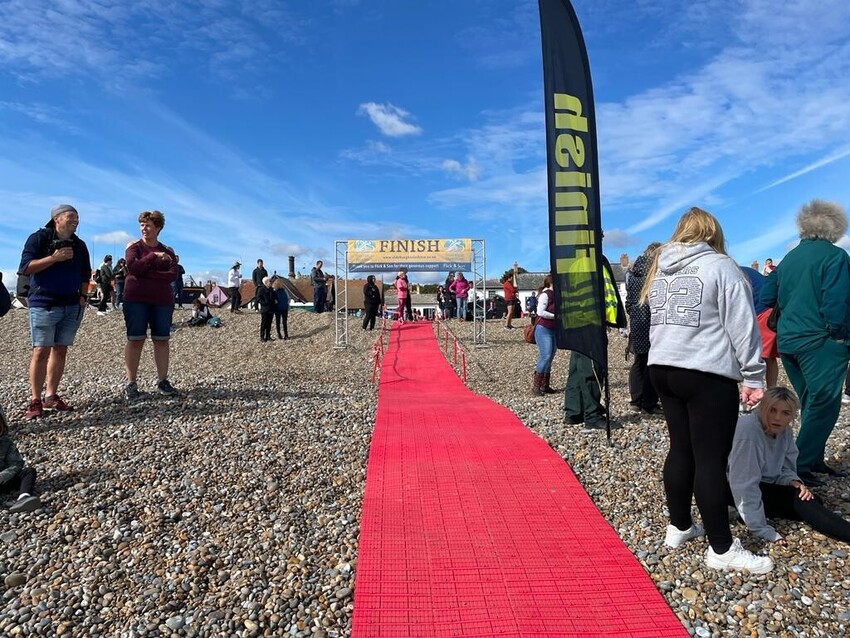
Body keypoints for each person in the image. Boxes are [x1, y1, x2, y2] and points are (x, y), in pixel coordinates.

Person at [642, 207, 770, 573]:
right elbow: (742, 327)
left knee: (682, 448)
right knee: (711, 459)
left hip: (662, 366)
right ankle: (722, 548)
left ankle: (679, 526)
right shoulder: (722, 266)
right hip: (704, 370)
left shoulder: (660, 268)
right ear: (713, 232)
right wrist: (754, 376)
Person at [760, 199, 850, 488]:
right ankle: (798, 465)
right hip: (820, 341)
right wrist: (838, 335)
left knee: (812, 400)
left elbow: (766, 297)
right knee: (824, 402)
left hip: (789, 342)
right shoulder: (835, 256)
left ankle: (812, 460)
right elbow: (838, 303)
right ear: (835, 227)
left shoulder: (789, 259)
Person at [728, 386, 850, 543]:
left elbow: (785, 466)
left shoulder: (784, 431)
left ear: (792, 415)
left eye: (785, 413)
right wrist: (761, 528)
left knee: (812, 501)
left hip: (761, 483)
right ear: (763, 408)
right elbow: (743, 483)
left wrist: (793, 481)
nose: (777, 418)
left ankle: (744, 513)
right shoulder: (748, 430)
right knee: (802, 504)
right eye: (772, 410)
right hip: (730, 488)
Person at [18, 204, 91, 419]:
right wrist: (54, 258)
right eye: (71, 216)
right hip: (43, 302)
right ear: (56, 219)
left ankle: (51, 395)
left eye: (77, 217)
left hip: (71, 305)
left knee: (60, 349)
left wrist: (83, 296)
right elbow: (25, 267)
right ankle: (35, 399)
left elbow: (85, 273)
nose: (76, 220)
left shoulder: (80, 245)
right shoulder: (39, 238)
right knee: (41, 350)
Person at [122, 210, 180, 400]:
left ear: (158, 228)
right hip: (136, 299)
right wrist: (153, 257)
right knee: (136, 339)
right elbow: (133, 267)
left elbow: (173, 275)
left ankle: (163, 380)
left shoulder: (169, 253)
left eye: (148, 225)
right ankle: (131, 383)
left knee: (161, 340)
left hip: (162, 301)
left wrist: (145, 273)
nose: (143, 229)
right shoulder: (134, 248)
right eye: (141, 225)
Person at [565, 254, 627, 427]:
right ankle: (592, 416)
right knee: (592, 368)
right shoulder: (591, 262)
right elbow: (593, 295)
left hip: (577, 321)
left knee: (577, 368)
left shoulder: (575, 263)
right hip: (590, 321)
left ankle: (573, 412)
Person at [625, 242, 661, 415]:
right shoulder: (656, 271)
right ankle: (649, 402)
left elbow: (629, 301)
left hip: (637, 319)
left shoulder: (632, 272)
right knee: (652, 362)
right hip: (653, 318)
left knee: (639, 361)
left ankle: (635, 400)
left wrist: (633, 313)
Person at [741, 266, 780, 388]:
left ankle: (763, 392)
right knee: (767, 356)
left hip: (763, 310)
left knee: (762, 355)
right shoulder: (741, 270)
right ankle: (769, 390)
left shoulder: (734, 273)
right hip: (767, 308)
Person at [0, 407, 41, 513]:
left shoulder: (6, 443)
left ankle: (23, 498)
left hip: (4, 481)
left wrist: (3, 476)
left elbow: (16, 464)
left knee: (28, 472)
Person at [532, 275, 556, 396]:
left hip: (553, 328)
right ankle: (536, 386)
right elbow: (540, 312)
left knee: (550, 356)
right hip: (543, 328)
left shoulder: (556, 295)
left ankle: (545, 385)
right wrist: (555, 316)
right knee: (545, 355)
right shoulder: (545, 295)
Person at [257, 276, 275, 341]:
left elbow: (274, 297)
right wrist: (264, 303)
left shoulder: (272, 289)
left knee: (269, 323)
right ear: (265, 282)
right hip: (265, 309)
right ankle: (262, 337)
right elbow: (258, 299)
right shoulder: (261, 290)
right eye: (269, 281)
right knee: (264, 323)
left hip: (271, 308)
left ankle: (268, 336)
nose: (271, 282)